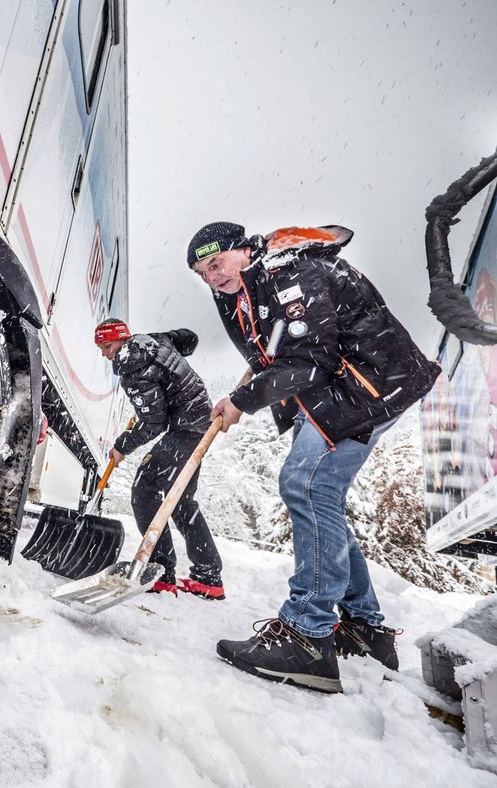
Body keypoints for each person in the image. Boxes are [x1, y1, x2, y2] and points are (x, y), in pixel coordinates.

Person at [187, 221, 441, 693]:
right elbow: (280, 355)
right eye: (202, 273)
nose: (212, 277)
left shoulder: (289, 274)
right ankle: (365, 628)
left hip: (365, 386)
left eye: (216, 263)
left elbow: (308, 359)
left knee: (305, 483)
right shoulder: (253, 287)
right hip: (340, 391)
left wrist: (243, 401)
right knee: (316, 489)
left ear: (244, 250)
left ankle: (307, 635)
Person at [94, 318, 225, 598]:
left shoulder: (133, 366)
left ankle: (161, 571)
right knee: (180, 500)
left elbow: (154, 422)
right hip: (200, 420)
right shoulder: (152, 341)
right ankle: (208, 576)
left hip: (186, 427)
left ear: (121, 339)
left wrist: (122, 446)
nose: (105, 354)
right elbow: (188, 336)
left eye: (107, 346)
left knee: (145, 488)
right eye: (101, 348)